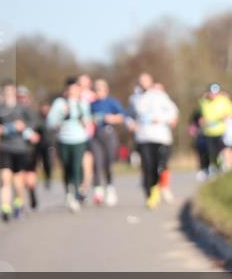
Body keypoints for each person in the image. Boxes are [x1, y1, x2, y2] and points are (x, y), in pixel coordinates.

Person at [127, 74, 178, 209]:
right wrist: (130, 124)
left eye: (146, 81)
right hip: (143, 137)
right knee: (147, 166)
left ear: (151, 82)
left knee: (160, 166)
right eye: (141, 81)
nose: (143, 83)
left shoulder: (159, 95)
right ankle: (151, 193)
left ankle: (160, 188)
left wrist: (160, 118)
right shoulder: (134, 98)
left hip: (160, 137)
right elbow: (129, 115)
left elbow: (173, 111)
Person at [0, 82, 38, 221]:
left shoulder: (22, 109)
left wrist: (24, 128)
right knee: (5, 179)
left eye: (11, 91)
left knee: (18, 181)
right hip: (5, 148)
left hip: (20, 148)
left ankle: (18, 202)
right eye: (5, 91)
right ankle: (5, 208)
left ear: (14, 93)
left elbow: (33, 124)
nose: (8, 94)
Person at [46, 77, 91, 212]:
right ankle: (68, 191)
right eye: (70, 89)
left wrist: (84, 121)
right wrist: (61, 117)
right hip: (63, 140)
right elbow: (50, 122)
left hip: (79, 139)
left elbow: (87, 121)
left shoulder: (82, 103)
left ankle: (76, 193)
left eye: (75, 89)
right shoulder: (60, 103)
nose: (73, 91)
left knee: (77, 166)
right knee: (66, 167)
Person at [89, 78, 126, 206]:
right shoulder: (92, 104)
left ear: (106, 89)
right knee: (97, 163)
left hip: (109, 134)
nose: (98, 91)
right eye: (95, 89)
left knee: (108, 163)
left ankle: (110, 188)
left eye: (100, 88)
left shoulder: (112, 102)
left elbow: (123, 117)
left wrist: (112, 118)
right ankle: (98, 191)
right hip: (95, 137)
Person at [194, 83, 232, 182]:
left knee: (222, 150)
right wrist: (201, 120)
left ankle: (222, 166)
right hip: (208, 131)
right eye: (211, 93)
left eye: (215, 93)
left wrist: (225, 115)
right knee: (211, 153)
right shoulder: (203, 102)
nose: (213, 95)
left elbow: (231, 111)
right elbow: (199, 114)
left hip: (221, 130)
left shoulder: (224, 100)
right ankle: (215, 170)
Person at [16, 87, 42, 210]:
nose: (22, 100)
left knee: (30, 177)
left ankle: (31, 192)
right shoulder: (13, 113)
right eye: (19, 98)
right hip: (16, 149)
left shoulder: (33, 113)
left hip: (30, 149)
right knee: (19, 176)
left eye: (24, 97)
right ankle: (20, 201)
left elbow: (39, 130)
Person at [33, 98, 54, 191]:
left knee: (47, 163)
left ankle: (48, 178)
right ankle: (34, 179)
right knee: (36, 162)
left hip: (48, 144)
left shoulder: (52, 117)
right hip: (38, 144)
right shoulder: (37, 117)